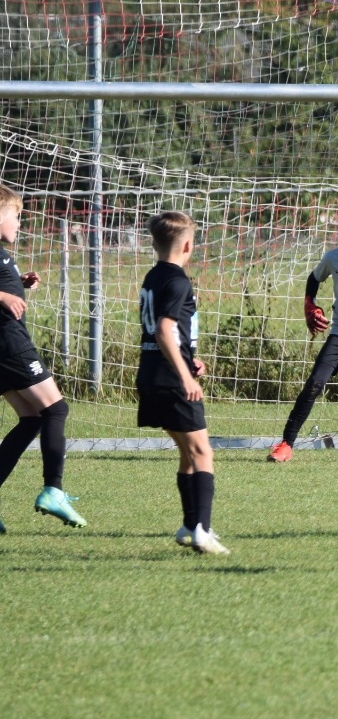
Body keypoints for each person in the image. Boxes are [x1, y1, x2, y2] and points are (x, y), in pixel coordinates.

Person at [138, 210, 227, 554]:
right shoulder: (178, 281)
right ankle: (202, 531)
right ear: (188, 245)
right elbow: (163, 330)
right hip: (170, 378)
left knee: (188, 455)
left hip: (151, 375)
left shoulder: (152, 276)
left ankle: (189, 525)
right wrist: (184, 373)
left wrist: (190, 359)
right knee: (203, 453)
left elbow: (167, 332)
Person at [0, 184, 85, 531]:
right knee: (56, 409)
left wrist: (17, 284)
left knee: (33, 417)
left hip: (4, 348)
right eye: (16, 216)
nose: (20, 223)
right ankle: (53, 490)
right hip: (9, 345)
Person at [267, 204, 338, 462]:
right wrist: (310, 305)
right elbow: (313, 279)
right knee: (314, 384)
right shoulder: (332, 259)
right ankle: (286, 444)